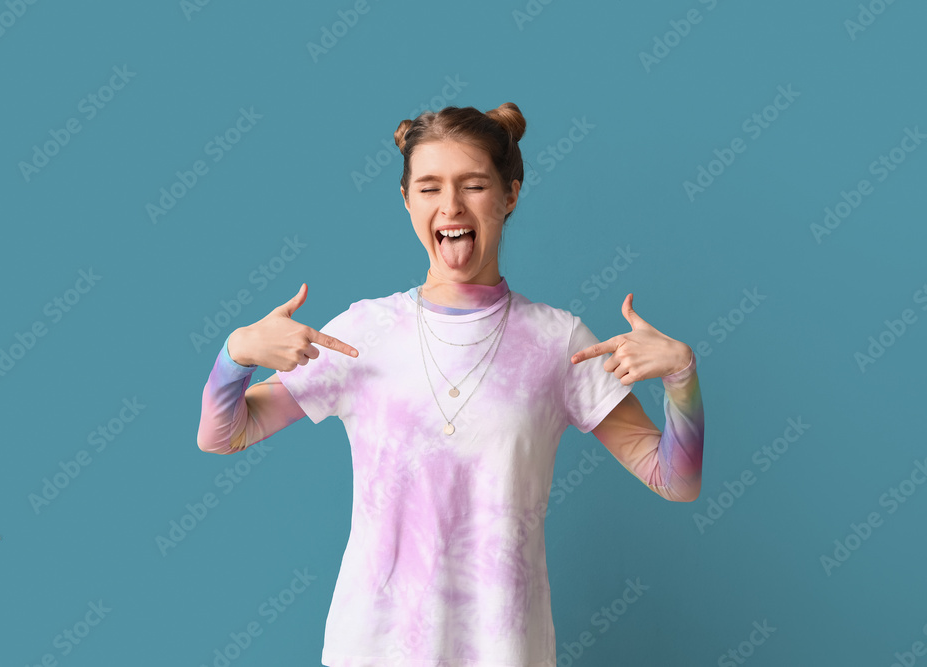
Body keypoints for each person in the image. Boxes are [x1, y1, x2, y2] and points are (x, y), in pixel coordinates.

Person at [196, 102, 705, 666]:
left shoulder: (559, 342)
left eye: (474, 185)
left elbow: (674, 481)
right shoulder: (363, 331)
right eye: (430, 187)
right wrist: (236, 352)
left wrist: (681, 379)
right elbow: (225, 434)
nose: (451, 206)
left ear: (510, 196)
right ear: (407, 201)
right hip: (373, 648)